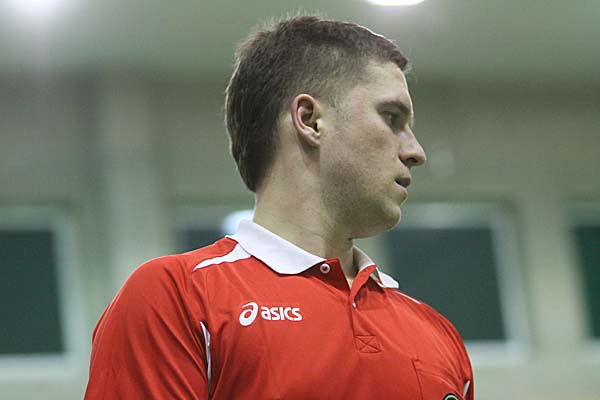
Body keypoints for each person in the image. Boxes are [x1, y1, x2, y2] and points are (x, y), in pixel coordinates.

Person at [85, 15, 474, 400]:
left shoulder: (437, 334)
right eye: (391, 118)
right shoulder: (178, 297)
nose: (415, 152)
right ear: (310, 120)